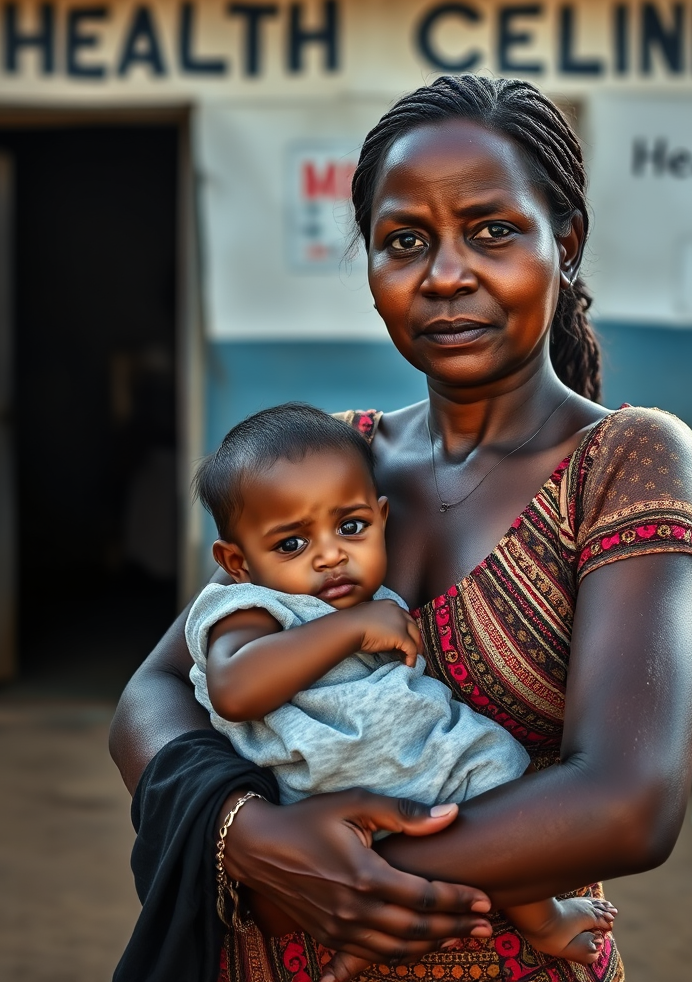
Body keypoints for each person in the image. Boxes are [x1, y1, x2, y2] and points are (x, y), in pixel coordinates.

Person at [110, 74, 692, 982]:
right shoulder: (332, 467)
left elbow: (630, 799)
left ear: (567, 243)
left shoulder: (624, 462)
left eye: (493, 230)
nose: (444, 275)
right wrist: (245, 834)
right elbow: (155, 695)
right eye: (404, 242)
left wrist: (320, 877)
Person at [184, 402, 617, 968]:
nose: (331, 554)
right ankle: (548, 922)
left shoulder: (368, 597)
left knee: (491, 793)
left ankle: (380, 944)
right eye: (292, 544)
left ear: (382, 517)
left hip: (407, 770)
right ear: (235, 562)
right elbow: (234, 688)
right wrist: (351, 629)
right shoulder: (251, 605)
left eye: (351, 526)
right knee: (493, 775)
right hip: (327, 786)